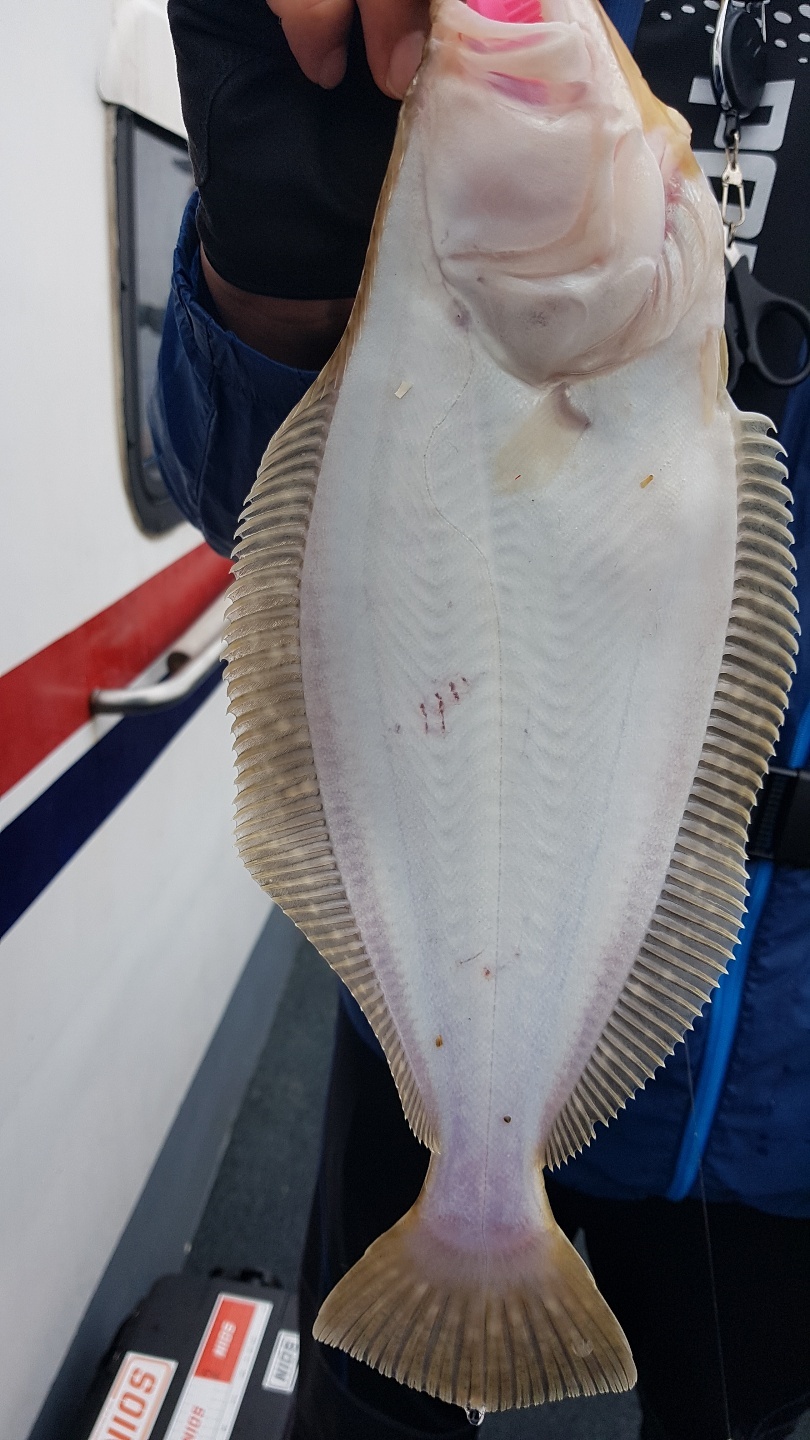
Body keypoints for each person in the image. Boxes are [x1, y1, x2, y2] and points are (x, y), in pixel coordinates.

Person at [155, 2, 810, 1435]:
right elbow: (241, 502)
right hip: (421, 1034)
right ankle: (473, 1202)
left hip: (791, 1094)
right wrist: (267, 279)